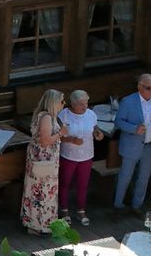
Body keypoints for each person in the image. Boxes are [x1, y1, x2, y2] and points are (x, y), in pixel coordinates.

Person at [112, 75, 151, 211]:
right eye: (148, 88)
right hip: (131, 146)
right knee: (125, 177)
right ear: (139, 87)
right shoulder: (128, 101)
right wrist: (134, 129)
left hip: (150, 146)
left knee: (144, 178)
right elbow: (118, 122)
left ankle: (137, 206)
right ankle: (117, 206)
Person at [20, 90, 62, 234]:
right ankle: (39, 225)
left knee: (40, 192)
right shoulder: (46, 118)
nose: (63, 105)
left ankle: (40, 224)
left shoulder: (47, 116)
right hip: (44, 162)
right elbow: (45, 141)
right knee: (41, 193)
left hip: (45, 161)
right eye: (61, 102)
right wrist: (61, 133)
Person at [55, 89, 98, 226]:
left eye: (86, 103)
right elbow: (57, 137)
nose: (84, 106)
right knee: (65, 182)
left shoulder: (91, 114)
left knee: (83, 184)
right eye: (81, 104)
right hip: (68, 155)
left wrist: (98, 134)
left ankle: (81, 210)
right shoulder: (64, 116)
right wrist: (71, 140)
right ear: (73, 104)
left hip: (86, 155)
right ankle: (64, 209)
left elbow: (95, 128)